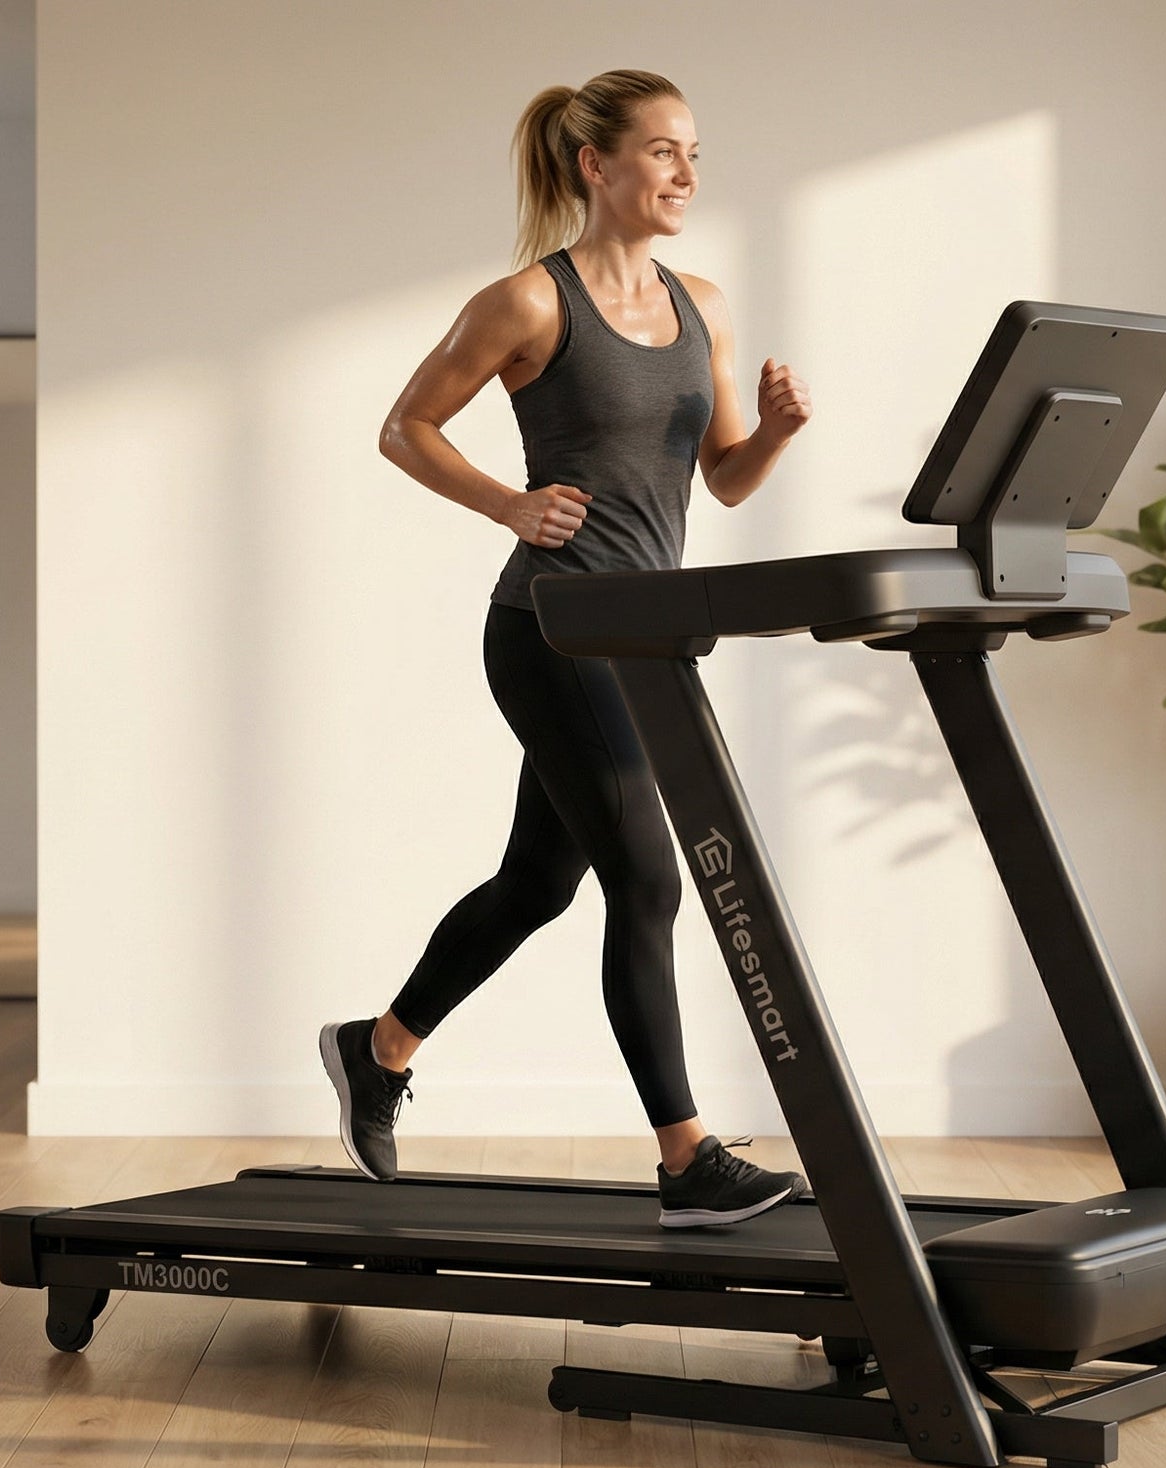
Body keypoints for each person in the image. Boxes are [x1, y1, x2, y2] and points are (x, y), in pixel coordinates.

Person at [322, 69, 813, 1228]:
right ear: (596, 166)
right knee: (646, 877)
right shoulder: (530, 304)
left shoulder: (704, 303)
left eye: (695, 152)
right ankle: (687, 1159)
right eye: (663, 152)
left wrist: (779, 432)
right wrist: (508, 504)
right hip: (551, 626)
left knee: (542, 881)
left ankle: (377, 1049)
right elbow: (406, 427)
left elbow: (727, 482)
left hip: (651, 643)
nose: (687, 173)